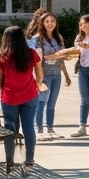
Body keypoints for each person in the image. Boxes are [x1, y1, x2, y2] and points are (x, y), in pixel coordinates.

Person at [0, 26, 42, 174]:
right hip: (30, 96)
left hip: (10, 98)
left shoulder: (1, 56)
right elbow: (40, 74)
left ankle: (10, 160)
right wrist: (37, 85)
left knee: (10, 129)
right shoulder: (31, 53)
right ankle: (30, 160)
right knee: (29, 127)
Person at [33, 11, 73, 141]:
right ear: (42, 23)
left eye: (53, 21)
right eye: (47, 21)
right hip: (43, 74)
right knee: (41, 102)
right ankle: (39, 130)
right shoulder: (37, 39)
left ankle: (50, 129)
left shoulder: (58, 38)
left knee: (52, 104)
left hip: (56, 74)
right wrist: (56, 56)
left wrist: (66, 75)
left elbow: (61, 57)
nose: (50, 24)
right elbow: (36, 59)